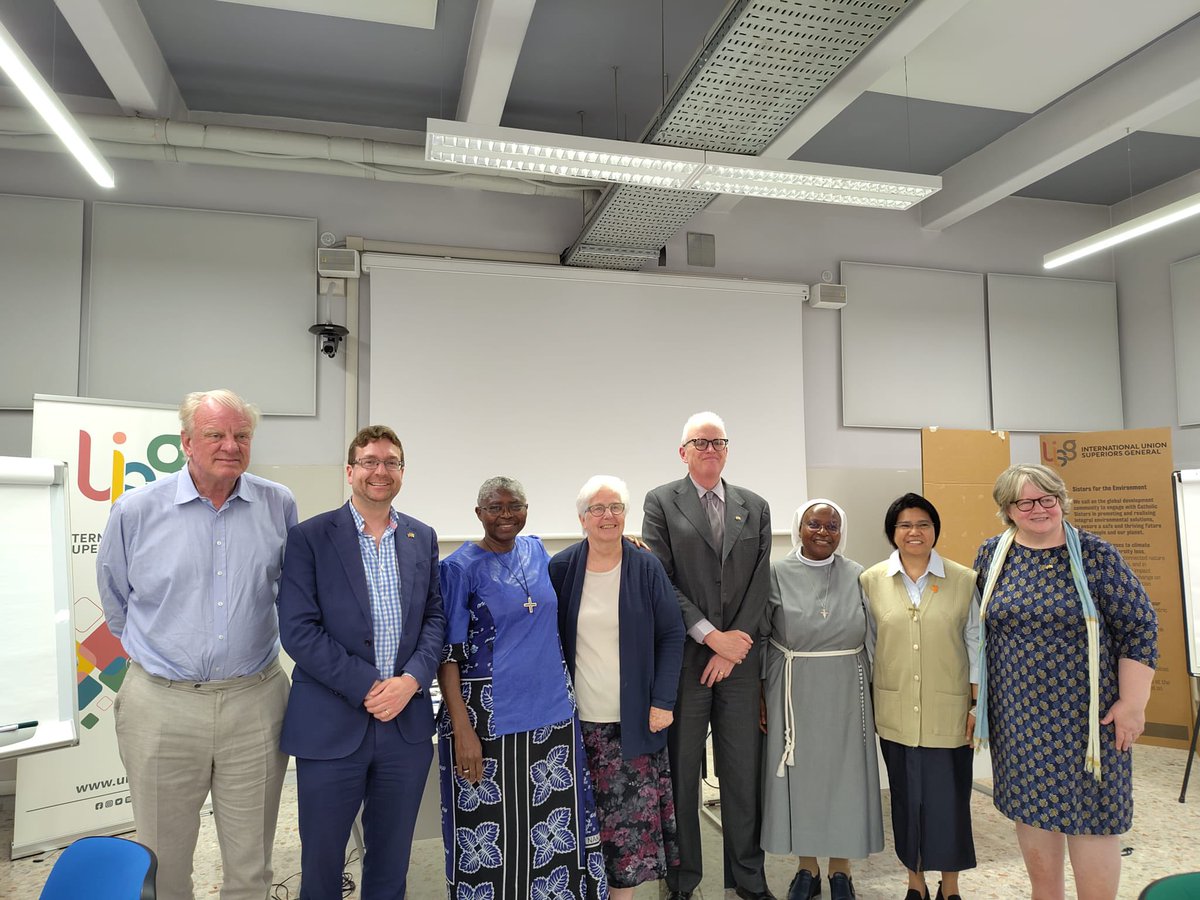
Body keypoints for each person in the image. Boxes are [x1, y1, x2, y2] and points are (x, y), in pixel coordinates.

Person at [97, 389, 297, 900]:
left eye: (241, 435)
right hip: (162, 706)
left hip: (256, 703)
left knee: (252, 866)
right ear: (186, 442)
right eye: (215, 434)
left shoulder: (278, 503)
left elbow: (291, 591)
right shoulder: (136, 510)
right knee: (162, 866)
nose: (230, 445)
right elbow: (116, 598)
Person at [973, 464, 1158, 900]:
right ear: (1008, 509)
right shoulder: (992, 554)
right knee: (1033, 814)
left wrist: (1133, 704)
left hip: (1089, 720)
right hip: (1019, 718)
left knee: (1093, 819)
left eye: (1048, 498)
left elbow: (1140, 628)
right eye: (1026, 501)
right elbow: (976, 631)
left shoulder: (1096, 555)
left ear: (1061, 500)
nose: (1039, 508)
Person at [276, 425, 445, 899]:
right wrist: (371, 686)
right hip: (331, 724)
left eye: (391, 462)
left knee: (391, 857)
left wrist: (410, 680)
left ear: (402, 473)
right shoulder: (310, 538)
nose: (380, 470)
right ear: (350, 471)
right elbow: (299, 630)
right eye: (370, 461)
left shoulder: (420, 536)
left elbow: (435, 619)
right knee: (323, 860)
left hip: (405, 725)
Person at [436, 476, 606, 900]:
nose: (506, 515)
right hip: (487, 719)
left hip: (553, 715)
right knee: (491, 829)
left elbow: (587, 559)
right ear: (479, 514)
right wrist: (462, 728)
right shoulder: (458, 568)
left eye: (515, 505)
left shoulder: (534, 549)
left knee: (551, 825)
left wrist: (630, 543)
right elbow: (447, 654)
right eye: (494, 507)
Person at [642, 411, 773, 900]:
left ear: (727, 449)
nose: (710, 448)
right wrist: (709, 637)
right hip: (686, 663)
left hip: (740, 663)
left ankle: (747, 877)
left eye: (717, 441)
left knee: (742, 776)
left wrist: (734, 643)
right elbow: (662, 578)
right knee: (680, 776)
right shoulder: (660, 502)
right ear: (683, 452)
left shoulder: (754, 505)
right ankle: (680, 882)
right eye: (699, 442)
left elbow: (761, 579)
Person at [549, 475, 685, 900]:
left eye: (616, 508)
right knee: (581, 823)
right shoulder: (561, 568)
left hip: (633, 722)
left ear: (626, 516)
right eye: (598, 509)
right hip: (576, 724)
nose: (607, 516)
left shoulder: (646, 566)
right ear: (581, 518)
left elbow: (672, 634)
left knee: (626, 832)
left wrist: (663, 700)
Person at [759, 499, 882, 900]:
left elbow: (874, 633)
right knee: (801, 777)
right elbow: (762, 634)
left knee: (845, 777)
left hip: (848, 684)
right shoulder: (775, 572)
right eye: (815, 524)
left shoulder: (857, 574)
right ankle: (807, 869)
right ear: (799, 527)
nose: (824, 533)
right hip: (792, 687)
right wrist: (761, 692)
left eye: (832, 527)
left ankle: (841, 871)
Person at [859, 493, 979, 900]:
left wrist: (976, 704)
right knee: (907, 800)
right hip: (895, 708)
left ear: (935, 531)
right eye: (905, 525)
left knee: (950, 800)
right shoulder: (872, 580)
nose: (914, 532)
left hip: (950, 708)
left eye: (923, 524)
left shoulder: (964, 579)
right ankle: (915, 881)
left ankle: (950, 884)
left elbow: (976, 642)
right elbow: (870, 646)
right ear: (892, 533)